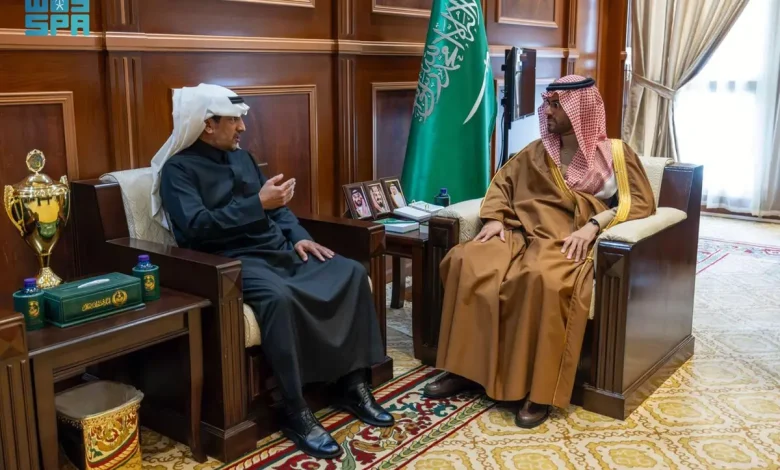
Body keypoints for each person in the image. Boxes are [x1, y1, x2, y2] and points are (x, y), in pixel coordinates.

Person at [151, 83, 393, 460]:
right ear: (208, 124)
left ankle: (353, 383)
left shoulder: (243, 158)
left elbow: (278, 211)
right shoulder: (177, 170)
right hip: (229, 261)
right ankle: (295, 410)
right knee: (278, 298)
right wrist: (257, 204)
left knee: (348, 272)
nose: (243, 128)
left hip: (276, 249)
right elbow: (195, 228)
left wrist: (299, 237)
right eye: (234, 120)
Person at [422, 75, 656, 428]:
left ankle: (538, 391)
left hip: (568, 240)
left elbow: (640, 202)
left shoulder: (616, 155)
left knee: (541, 279)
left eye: (555, 105)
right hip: (521, 231)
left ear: (581, 110)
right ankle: (464, 370)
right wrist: (493, 219)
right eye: (547, 103)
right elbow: (501, 186)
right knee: (467, 261)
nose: (546, 111)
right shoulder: (536, 151)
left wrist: (595, 225)